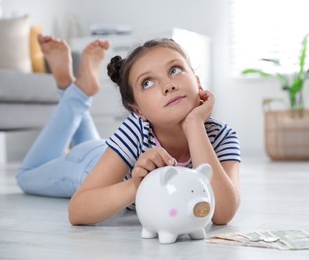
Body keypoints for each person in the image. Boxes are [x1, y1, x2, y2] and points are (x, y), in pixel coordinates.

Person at [17, 34, 241, 226]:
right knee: (26, 176)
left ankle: (72, 87)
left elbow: (222, 213)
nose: (168, 85)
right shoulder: (136, 129)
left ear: (198, 81)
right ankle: (75, 92)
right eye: (147, 82)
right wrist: (136, 185)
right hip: (86, 165)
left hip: (112, 154)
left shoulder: (222, 136)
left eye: (175, 69)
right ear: (137, 110)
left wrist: (194, 125)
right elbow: (77, 211)